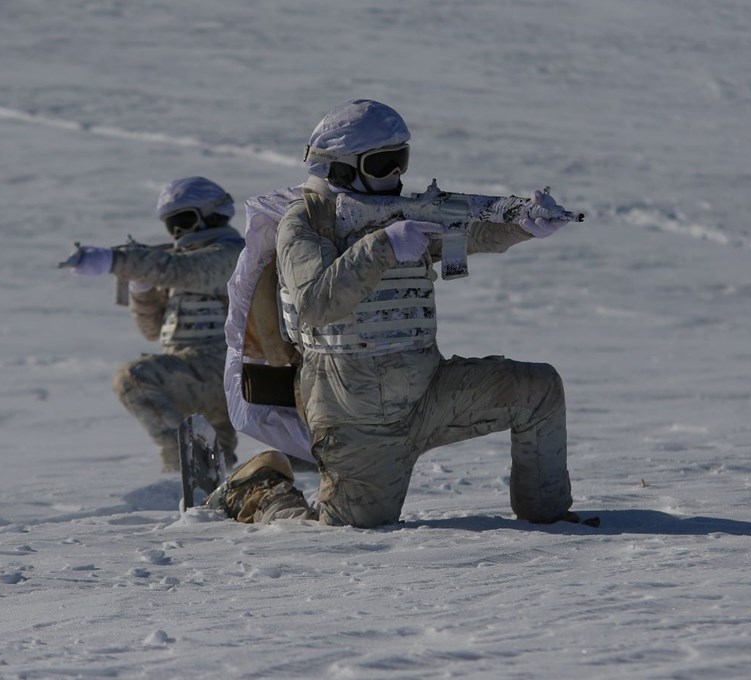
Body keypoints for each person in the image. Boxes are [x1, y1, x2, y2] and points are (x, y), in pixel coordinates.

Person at [210, 99, 581, 527]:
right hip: (356, 415)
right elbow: (315, 303)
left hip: (428, 392)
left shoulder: (400, 217)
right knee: (340, 532)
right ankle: (260, 488)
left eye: (401, 161)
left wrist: (522, 225)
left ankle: (548, 518)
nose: (397, 176)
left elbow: (467, 232)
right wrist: (382, 247)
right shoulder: (307, 220)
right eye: (384, 163)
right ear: (342, 168)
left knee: (538, 390)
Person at [61, 177, 245, 472]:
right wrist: (142, 290)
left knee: (133, 378)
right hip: (190, 372)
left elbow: (188, 271)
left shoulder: (234, 254)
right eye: (172, 226)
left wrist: (117, 260)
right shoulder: (175, 266)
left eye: (185, 220)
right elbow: (152, 331)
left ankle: (181, 460)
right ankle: (208, 487)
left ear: (213, 213)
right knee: (218, 468)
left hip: (227, 367)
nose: (179, 232)